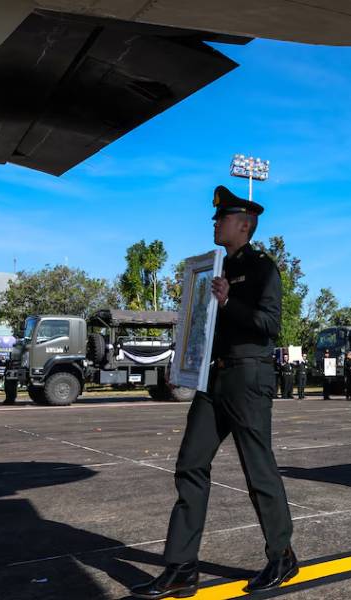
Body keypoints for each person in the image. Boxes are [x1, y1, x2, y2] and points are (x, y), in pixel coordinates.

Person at [131, 186, 297, 599]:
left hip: (247, 377)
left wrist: (228, 303)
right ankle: (182, 567)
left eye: (221, 218)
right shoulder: (214, 268)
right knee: (189, 463)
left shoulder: (262, 268)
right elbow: (203, 331)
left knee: (258, 469)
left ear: (244, 225)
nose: (214, 222)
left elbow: (269, 326)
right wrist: (184, 366)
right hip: (213, 377)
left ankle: (282, 556)